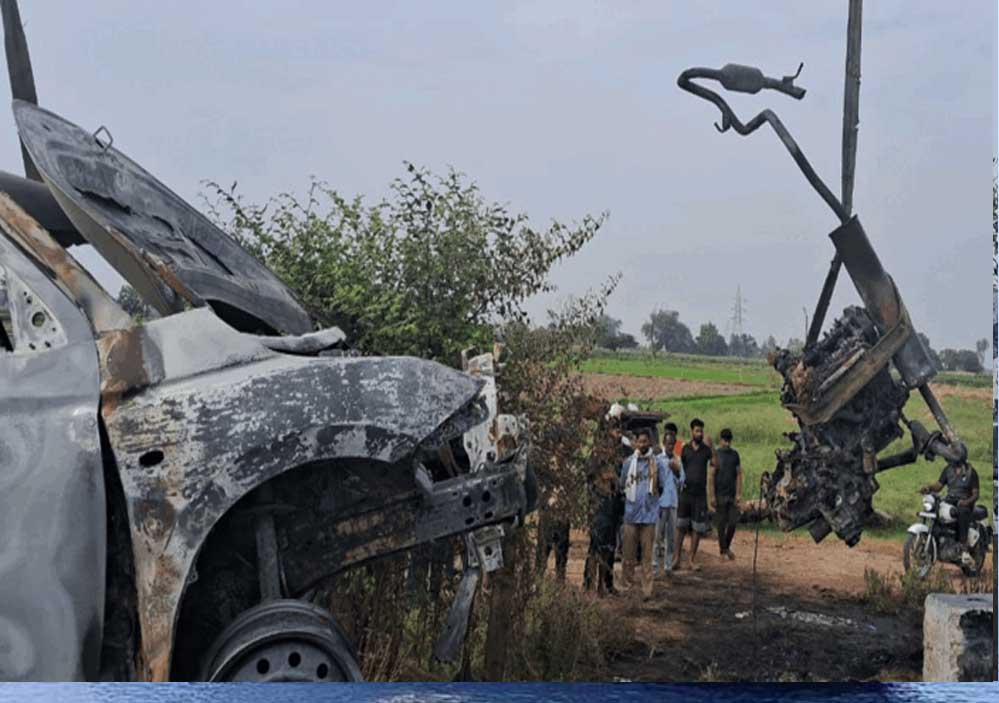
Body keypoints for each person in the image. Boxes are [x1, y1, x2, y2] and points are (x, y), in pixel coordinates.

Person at [619, 428, 674, 599]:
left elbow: (661, 485)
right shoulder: (628, 463)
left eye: (645, 441)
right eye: (639, 441)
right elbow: (622, 484)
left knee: (647, 556)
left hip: (649, 516)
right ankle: (627, 587)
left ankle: (647, 590)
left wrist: (653, 503)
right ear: (635, 442)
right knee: (628, 555)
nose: (642, 444)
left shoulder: (656, 464)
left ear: (650, 442)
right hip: (631, 514)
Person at [920, 459, 981, 565]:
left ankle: (964, 549)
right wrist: (929, 488)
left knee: (962, 512)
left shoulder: (971, 472)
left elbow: (976, 494)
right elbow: (939, 485)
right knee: (937, 508)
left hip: (965, 503)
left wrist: (966, 502)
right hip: (950, 500)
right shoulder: (948, 469)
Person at [675, 418, 715, 571]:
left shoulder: (706, 450)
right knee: (680, 526)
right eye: (697, 431)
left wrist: (712, 447)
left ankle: (691, 560)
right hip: (685, 493)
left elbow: (716, 464)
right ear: (692, 431)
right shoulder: (684, 448)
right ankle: (676, 559)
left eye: (701, 431)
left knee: (697, 528)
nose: (700, 433)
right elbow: (676, 462)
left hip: (700, 495)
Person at [652, 422, 685, 576]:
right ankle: (654, 566)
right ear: (664, 444)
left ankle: (668, 566)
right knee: (657, 536)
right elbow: (654, 479)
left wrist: (676, 470)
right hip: (660, 502)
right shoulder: (658, 459)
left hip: (672, 502)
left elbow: (682, 481)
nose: (670, 446)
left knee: (670, 537)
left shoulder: (678, 461)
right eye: (668, 443)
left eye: (672, 444)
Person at [708, 427, 743, 560]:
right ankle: (723, 551)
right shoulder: (716, 455)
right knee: (721, 524)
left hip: (732, 494)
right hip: (720, 494)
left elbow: (739, 474)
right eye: (725, 440)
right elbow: (711, 476)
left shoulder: (735, 455)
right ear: (721, 440)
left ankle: (726, 547)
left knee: (733, 523)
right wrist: (712, 496)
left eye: (729, 440)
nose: (727, 443)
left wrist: (739, 493)